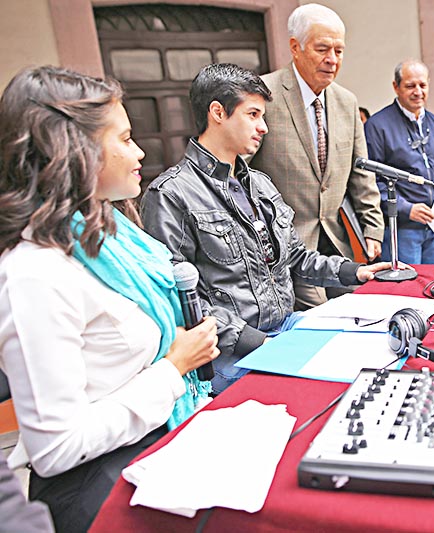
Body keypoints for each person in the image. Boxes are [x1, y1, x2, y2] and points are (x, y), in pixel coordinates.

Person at [0, 66, 219, 532]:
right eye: (123, 139)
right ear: (73, 152)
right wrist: (174, 367)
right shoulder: (36, 272)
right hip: (100, 490)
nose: (139, 152)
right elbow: (56, 448)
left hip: (156, 445)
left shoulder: (113, 234)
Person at [141, 63, 394, 394]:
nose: (263, 128)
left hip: (285, 328)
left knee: (377, 356)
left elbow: (295, 256)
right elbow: (180, 299)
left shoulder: (259, 184)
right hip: (232, 352)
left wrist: (352, 272)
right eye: (253, 115)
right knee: (333, 394)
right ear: (217, 112)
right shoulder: (171, 195)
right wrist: (257, 343)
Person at [250, 3, 384, 310]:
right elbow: (241, 173)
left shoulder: (346, 101)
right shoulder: (264, 95)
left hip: (337, 240)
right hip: (286, 246)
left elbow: (361, 172)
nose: (332, 60)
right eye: (323, 49)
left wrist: (372, 228)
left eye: (339, 51)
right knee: (318, 320)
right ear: (295, 47)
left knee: (355, 312)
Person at [364, 60, 434, 264]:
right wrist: (407, 209)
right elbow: (371, 182)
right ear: (395, 87)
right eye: (410, 86)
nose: (418, 92)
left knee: (433, 286)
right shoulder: (377, 126)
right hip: (401, 230)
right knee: (405, 290)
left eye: (422, 85)